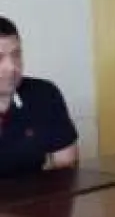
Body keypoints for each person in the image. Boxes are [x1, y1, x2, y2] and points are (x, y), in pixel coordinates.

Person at [0, 16, 79, 177]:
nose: (11, 67)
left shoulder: (44, 94)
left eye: (16, 55)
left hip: (36, 193)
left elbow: (67, 166)